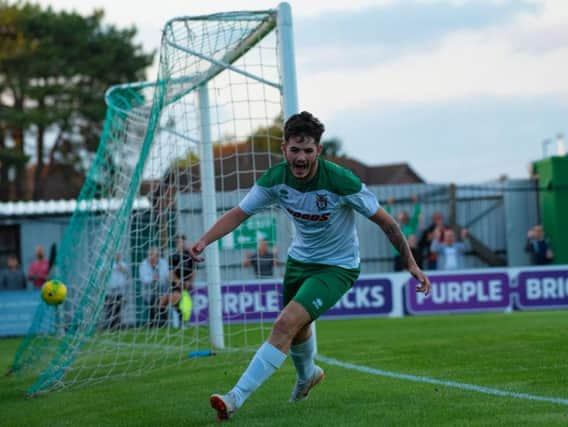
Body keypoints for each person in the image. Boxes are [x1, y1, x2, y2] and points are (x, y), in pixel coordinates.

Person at [189, 111, 431, 421]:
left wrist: (411, 263)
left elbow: (387, 223)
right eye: (295, 150)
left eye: (308, 150)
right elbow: (239, 213)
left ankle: (234, 397)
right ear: (284, 149)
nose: (301, 157)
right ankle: (308, 376)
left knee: (283, 324)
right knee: (298, 327)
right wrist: (204, 241)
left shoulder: (341, 181)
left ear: (318, 150)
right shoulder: (276, 179)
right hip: (299, 262)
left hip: (336, 268)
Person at [160, 234, 194, 327]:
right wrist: (178, 281)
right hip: (175, 284)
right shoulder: (173, 257)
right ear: (176, 244)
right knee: (169, 300)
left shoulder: (189, 256)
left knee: (185, 303)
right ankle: (162, 323)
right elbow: (170, 272)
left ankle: (183, 321)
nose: (181, 244)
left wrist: (189, 282)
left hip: (186, 285)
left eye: (182, 242)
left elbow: (193, 271)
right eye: (179, 242)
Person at [385, 195, 422, 271]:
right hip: (398, 254)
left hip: (410, 254)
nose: (402, 216)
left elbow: (417, 213)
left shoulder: (411, 225)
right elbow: (386, 216)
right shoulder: (395, 226)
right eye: (400, 214)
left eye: (404, 214)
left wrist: (416, 202)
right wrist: (388, 204)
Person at [139, 247, 169, 327]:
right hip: (149, 293)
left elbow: (166, 276)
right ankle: (153, 325)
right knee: (153, 306)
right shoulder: (143, 264)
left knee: (163, 305)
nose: (153, 257)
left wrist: (158, 278)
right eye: (151, 255)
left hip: (162, 291)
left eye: (156, 255)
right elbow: (144, 279)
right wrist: (153, 278)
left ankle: (164, 325)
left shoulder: (163, 263)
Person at [104, 253, 129, 330]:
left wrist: (122, 269)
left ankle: (118, 325)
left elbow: (127, 273)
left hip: (120, 291)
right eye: (116, 255)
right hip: (109, 291)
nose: (117, 256)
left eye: (119, 255)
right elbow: (102, 272)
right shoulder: (107, 264)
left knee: (118, 309)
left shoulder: (123, 264)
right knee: (110, 308)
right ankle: (110, 326)